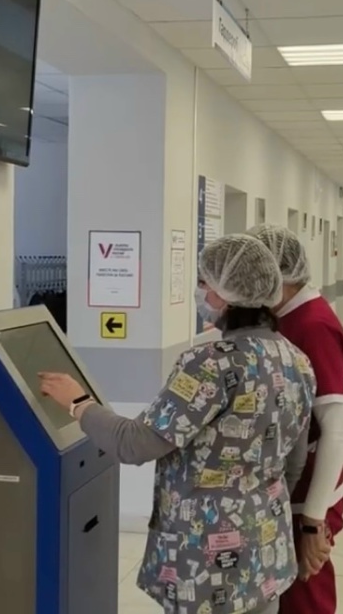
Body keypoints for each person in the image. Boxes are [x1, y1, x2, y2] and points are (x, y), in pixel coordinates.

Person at [39, 234, 316, 614]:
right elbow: (295, 462)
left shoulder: (210, 363)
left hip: (206, 565)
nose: (199, 292)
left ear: (225, 295)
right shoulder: (296, 359)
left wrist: (78, 403)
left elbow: (135, 443)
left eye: (203, 282)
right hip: (266, 550)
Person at [249, 224, 343, 614]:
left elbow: (336, 428)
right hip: (288, 484)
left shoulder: (313, 326)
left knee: (305, 596)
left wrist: (312, 521)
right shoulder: (286, 316)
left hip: (309, 491)